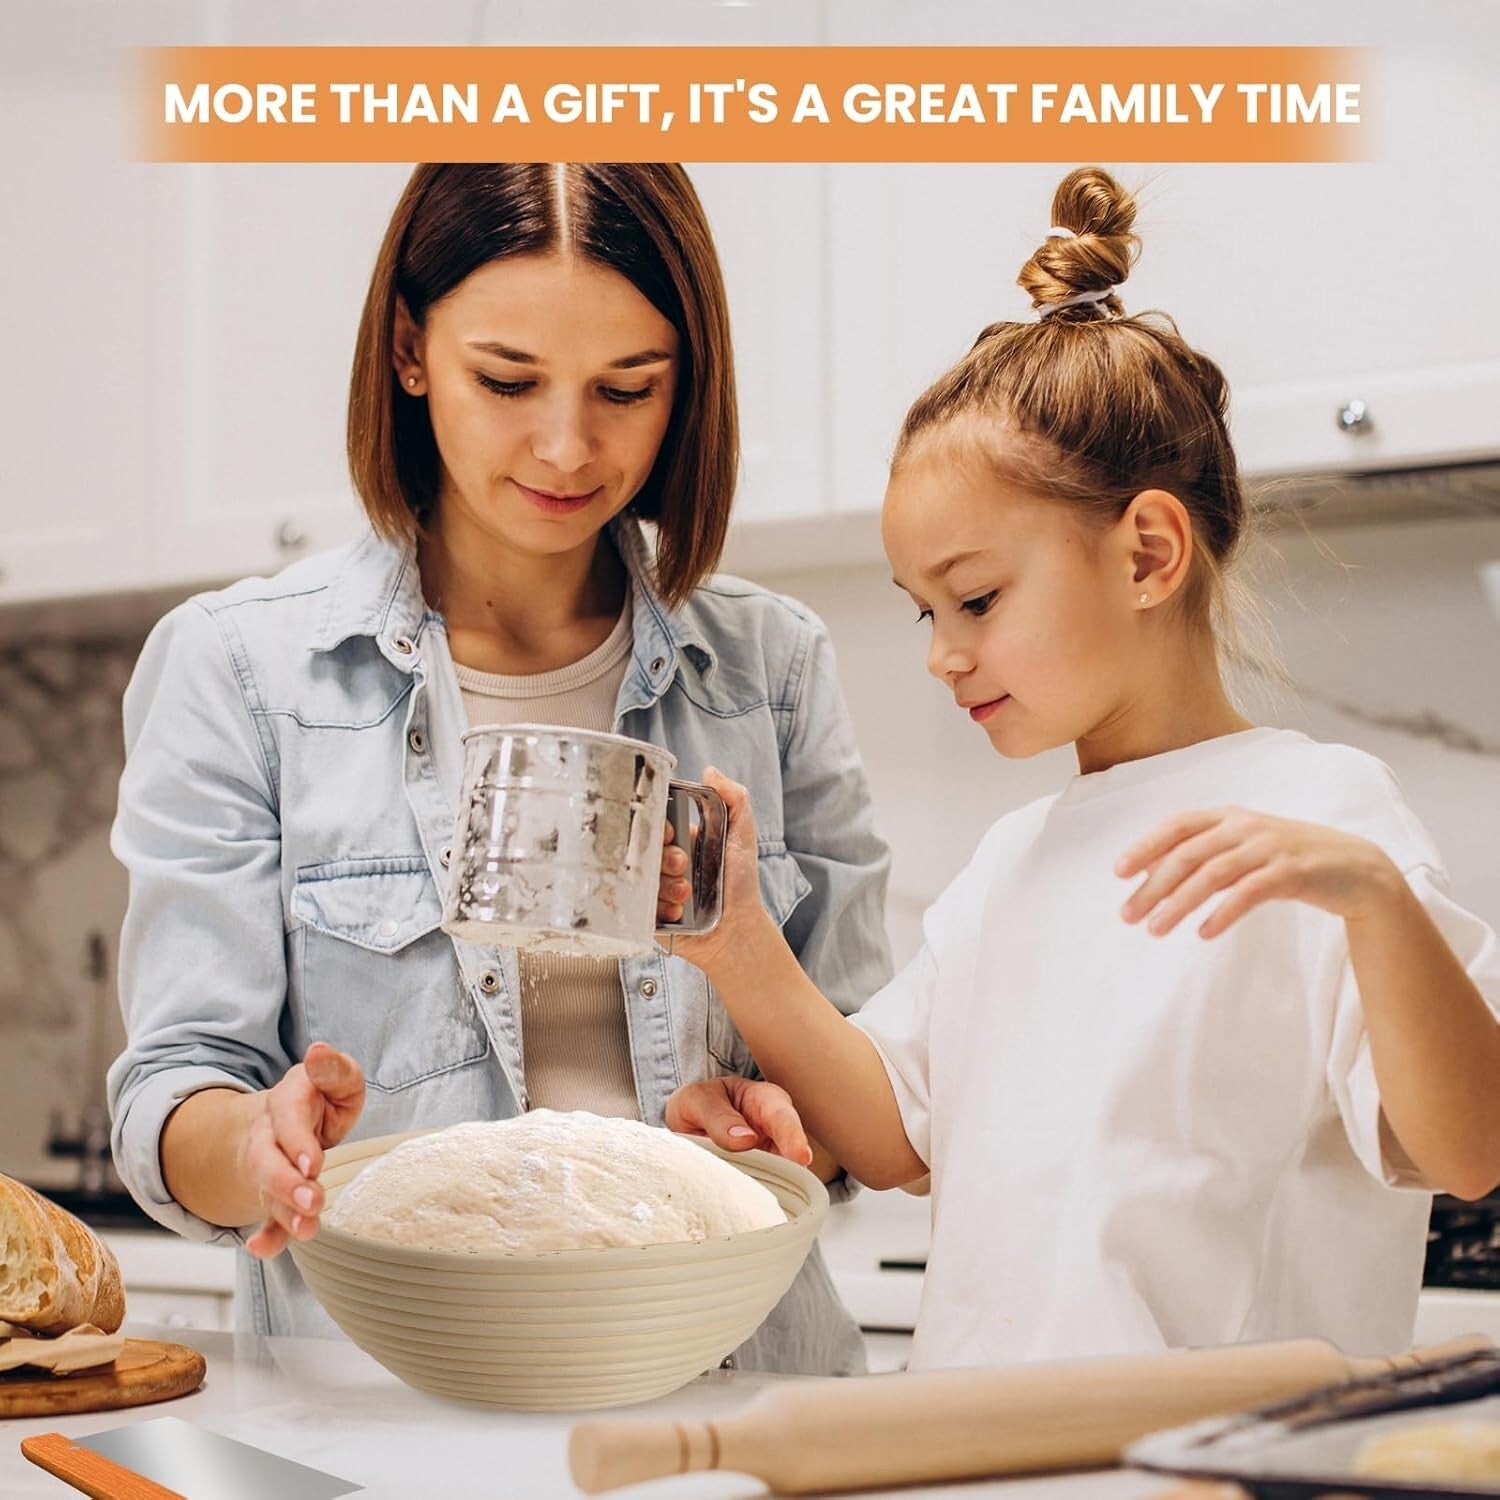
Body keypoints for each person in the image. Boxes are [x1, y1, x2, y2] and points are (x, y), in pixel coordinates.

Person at [664, 166, 1500, 1371]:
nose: (945, 656)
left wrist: (1374, 900)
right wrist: (735, 939)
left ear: (1150, 552)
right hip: (992, 1459)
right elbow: (893, 1135)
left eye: (978, 598)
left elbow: (1466, 1150)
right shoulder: (1017, 859)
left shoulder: (1322, 819)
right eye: (924, 613)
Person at [108, 163, 891, 1373]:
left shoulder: (771, 668)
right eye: (507, 379)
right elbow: (173, 1090)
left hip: (739, 1395)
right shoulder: (244, 671)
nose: (568, 447)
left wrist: (793, 1136)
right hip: (398, 1408)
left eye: (629, 389)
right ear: (411, 350)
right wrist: (255, 1148)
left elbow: (866, 1084)